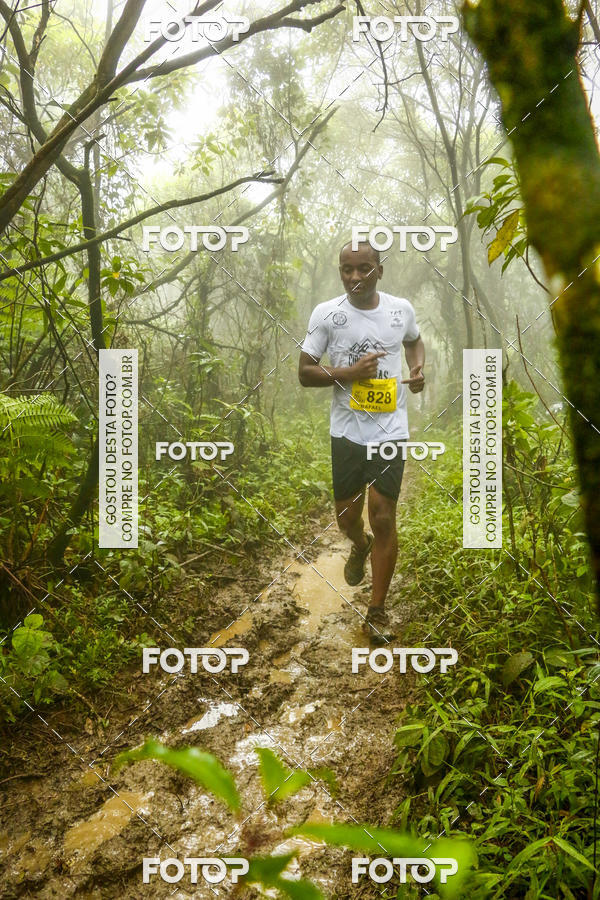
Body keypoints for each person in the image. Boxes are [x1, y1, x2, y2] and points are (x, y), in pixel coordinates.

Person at [298, 240, 425, 644]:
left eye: (364, 268)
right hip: (348, 432)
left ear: (379, 270)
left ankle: (376, 610)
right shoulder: (327, 314)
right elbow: (304, 371)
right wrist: (350, 372)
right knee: (347, 518)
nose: (355, 276)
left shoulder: (399, 309)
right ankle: (359, 544)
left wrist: (417, 367)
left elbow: (413, 340)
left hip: (390, 430)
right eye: (347, 269)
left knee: (383, 514)